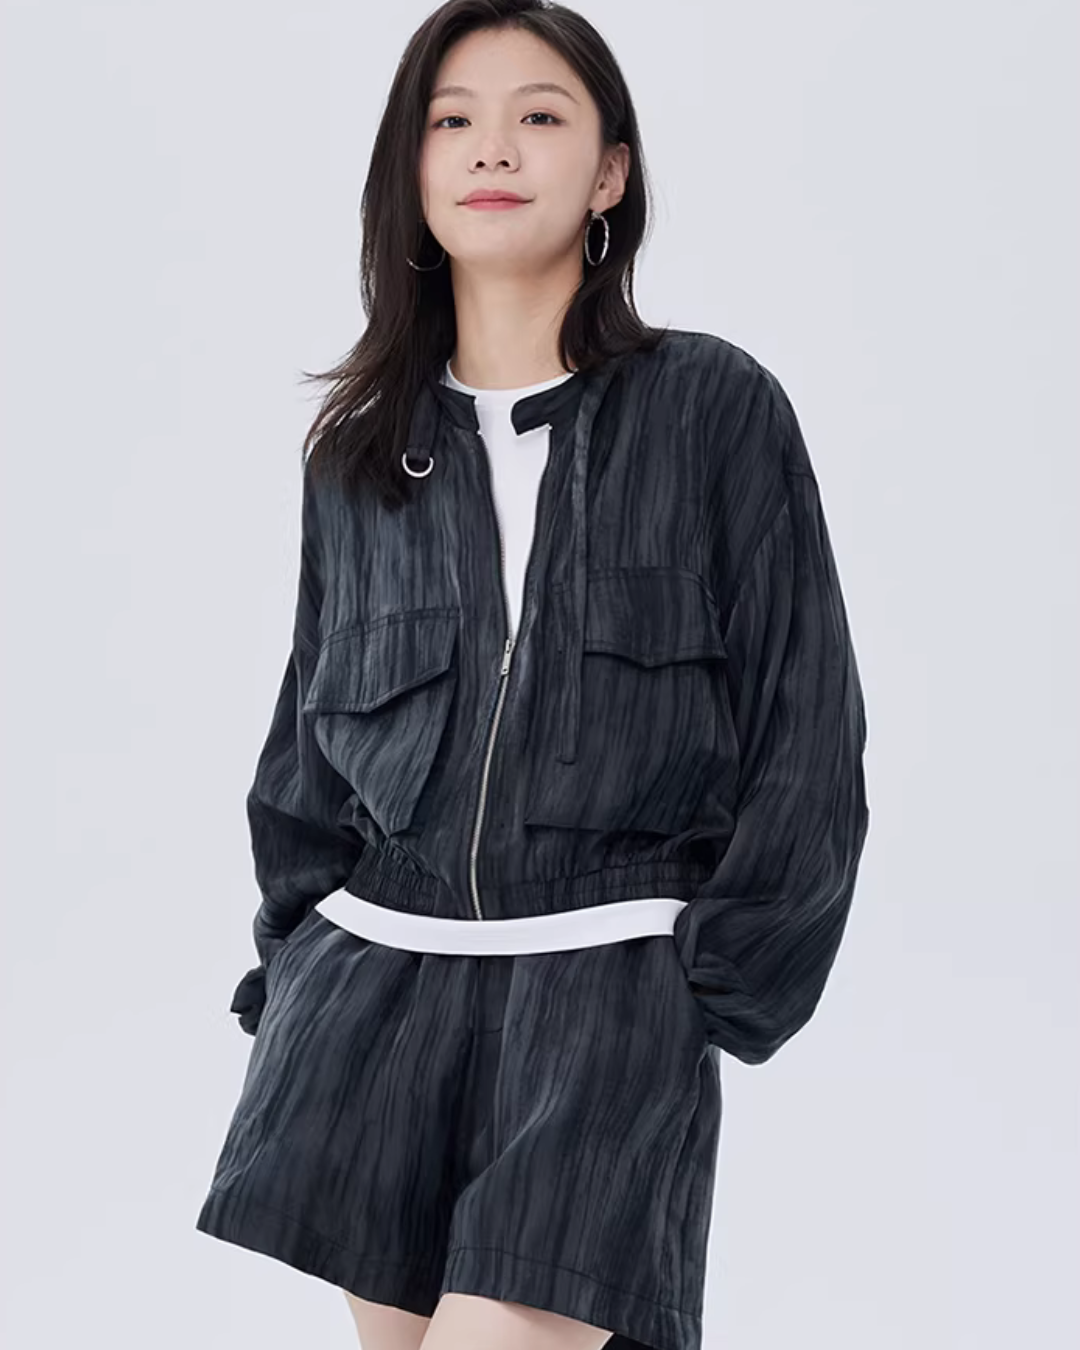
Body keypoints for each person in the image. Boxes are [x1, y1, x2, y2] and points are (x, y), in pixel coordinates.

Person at [194, 3, 871, 1349]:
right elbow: (304, 755)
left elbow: (806, 724)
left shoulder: (712, 408)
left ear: (609, 172)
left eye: (539, 116)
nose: (491, 148)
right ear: (411, 167)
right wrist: (295, 971)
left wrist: (718, 980)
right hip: (379, 1004)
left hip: (606, 998)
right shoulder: (360, 453)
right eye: (452, 119)